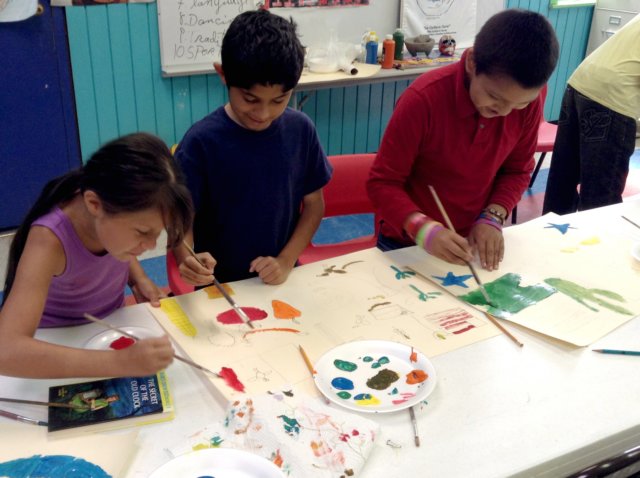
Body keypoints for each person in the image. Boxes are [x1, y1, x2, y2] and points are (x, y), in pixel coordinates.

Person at [367, 9, 559, 271]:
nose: (504, 112)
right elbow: (382, 183)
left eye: (519, 104)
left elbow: (517, 170)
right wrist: (422, 229)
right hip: (407, 243)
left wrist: (493, 215)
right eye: (494, 97)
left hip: (472, 241)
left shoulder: (527, 100)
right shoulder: (423, 100)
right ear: (471, 62)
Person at [0, 132, 193, 379]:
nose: (151, 245)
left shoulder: (110, 221)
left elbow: (116, 240)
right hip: (54, 346)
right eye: (143, 232)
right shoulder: (48, 240)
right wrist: (120, 362)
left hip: (111, 326)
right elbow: (6, 351)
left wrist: (138, 278)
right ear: (94, 204)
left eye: (158, 233)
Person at [173, 9, 332, 286]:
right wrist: (187, 258)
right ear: (223, 74)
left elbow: (314, 205)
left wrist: (286, 260)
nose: (263, 113)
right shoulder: (200, 143)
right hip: (220, 286)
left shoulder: (301, 130)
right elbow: (180, 219)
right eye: (250, 99)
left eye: (279, 100)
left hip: (280, 278)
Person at [543, 13, 640, 215]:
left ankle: (547, 232)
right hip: (613, 94)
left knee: (562, 180)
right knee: (601, 197)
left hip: (580, 82)